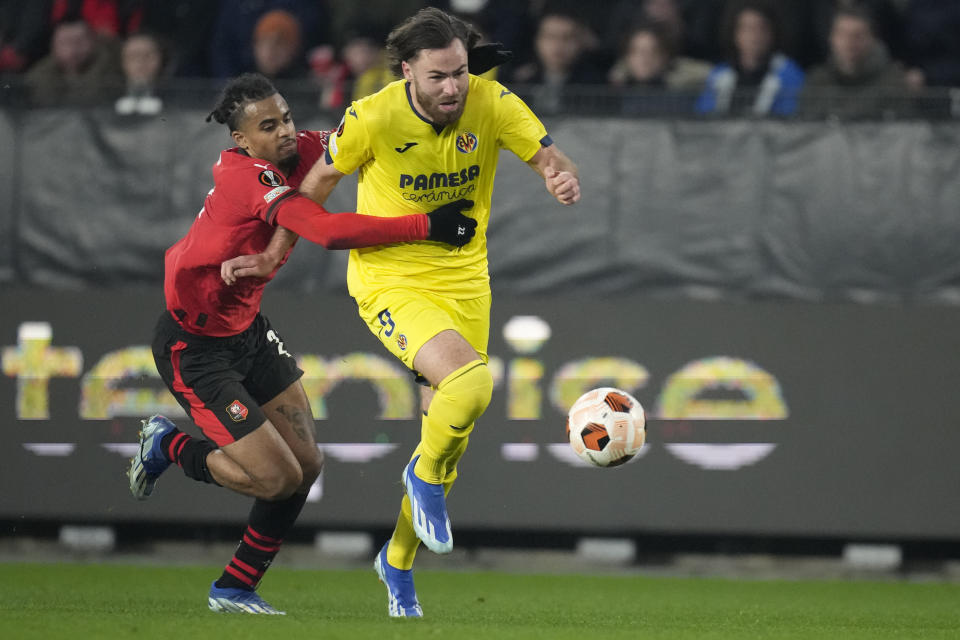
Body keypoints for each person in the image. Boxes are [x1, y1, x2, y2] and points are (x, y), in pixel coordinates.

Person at [223, 7, 580, 618]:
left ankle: (398, 560)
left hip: (467, 281)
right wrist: (272, 256)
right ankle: (424, 484)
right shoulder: (373, 116)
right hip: (390, 278)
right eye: (438, 76)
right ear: (408, 69)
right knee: (471, 385)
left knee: (446, 439)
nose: (452, 88)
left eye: (460, 73)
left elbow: (549, 156)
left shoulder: (492, 103)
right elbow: (316, 184)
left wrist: (559, 177)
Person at [127, 72, 478, 615]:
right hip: (193, 346)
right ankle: (168, 446)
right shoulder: (246, 176)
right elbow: (330, 233)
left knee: (307, 466)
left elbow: (377, 123)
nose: (286, 131)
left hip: (247, 330)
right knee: (275, 478)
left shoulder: (309, 149)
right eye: (268, 126)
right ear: (242, 140)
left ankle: (235, 588)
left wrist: (449, 71)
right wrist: (425, 224)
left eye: (286, 117)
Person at [696, 0, 804, 117]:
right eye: (747, 29)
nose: (754, 36)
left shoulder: (790, 74)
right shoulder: (718, 74)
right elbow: (703, 117)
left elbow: (790, 119)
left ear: (772, 33)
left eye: (761, 28)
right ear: (735, 34)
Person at [803, 5, 909, 119]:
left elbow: (904, 127)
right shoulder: (816, 81)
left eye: (857, 36)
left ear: (872, 39)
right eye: (842, 34)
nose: (849, 42)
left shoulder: (893, 82)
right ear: (831, 38)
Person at [24, 18, 122, 106]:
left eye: (79, 42)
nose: (72, 50)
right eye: (64, 43)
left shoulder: (114, 68)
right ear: (53, 46)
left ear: (93, 41)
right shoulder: (38, 75)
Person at [114, 31, 166, 116]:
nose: (140, 62)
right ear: (122, 62)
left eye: (148, 56)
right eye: (133, 56)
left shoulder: (182, 96)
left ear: (162, 59)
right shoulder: (104, 96)